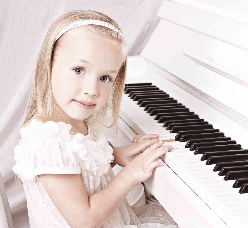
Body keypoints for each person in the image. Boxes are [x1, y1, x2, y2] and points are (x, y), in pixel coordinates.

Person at [12, 10, 179, 228]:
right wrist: (130, 174)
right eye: (79, 70)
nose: (92, 90)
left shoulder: (73, 126)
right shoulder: (48, 142)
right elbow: (84, 220)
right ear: (48, 67)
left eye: (104, 78)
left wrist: (115, 155)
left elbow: (81, 167)